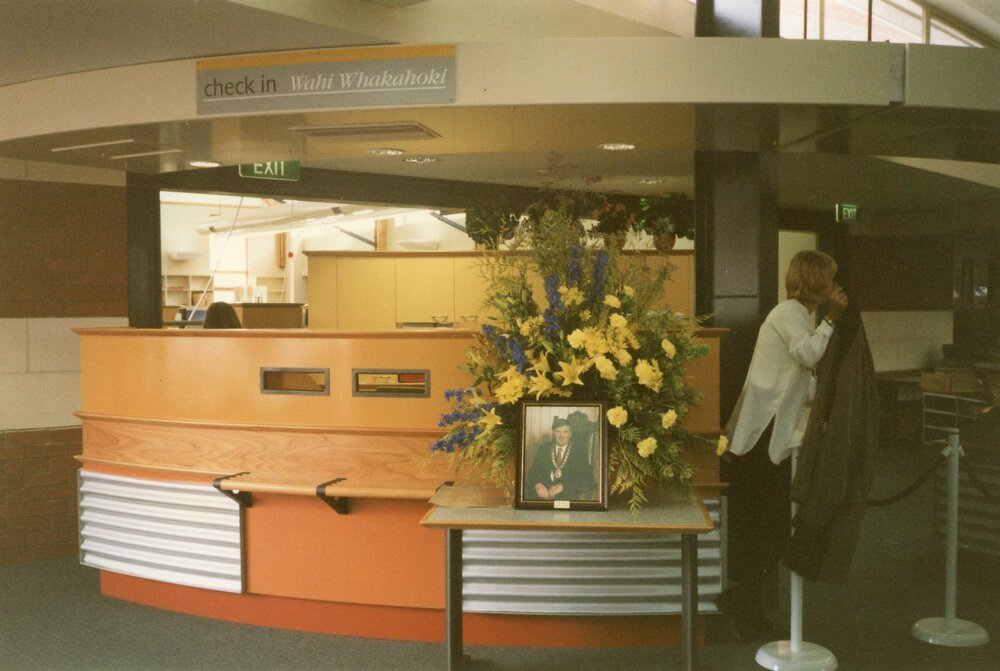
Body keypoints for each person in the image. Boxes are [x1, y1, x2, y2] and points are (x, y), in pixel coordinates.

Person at [718, 250, 848, 639]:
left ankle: (742, 604)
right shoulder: (791, 313)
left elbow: (798, 380)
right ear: (817, 281)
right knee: (767, 527)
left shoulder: (795, 316)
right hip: (762, 437)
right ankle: (743, 608)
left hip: (764, 436)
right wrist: (832, 318)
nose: (834, 286)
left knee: (763, 526)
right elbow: (808, 353)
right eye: (829, 279)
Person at [525, 416, 596, 501]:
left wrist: (562, 486)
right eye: (558, 431)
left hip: (567, 493)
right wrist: (538, 485)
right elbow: (533, 471)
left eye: (565, 432)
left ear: (570, 434)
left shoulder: (579, 451)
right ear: (553, 433)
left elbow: (586, 477)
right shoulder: (544, 448)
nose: (561, 436)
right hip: (544, 492)